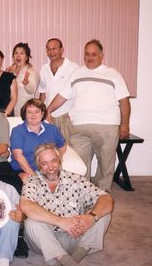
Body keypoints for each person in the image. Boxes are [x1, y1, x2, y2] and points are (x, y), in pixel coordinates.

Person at [47, 39, 131, 192]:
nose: (90, 57)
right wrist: (48, 110)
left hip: (106, 127)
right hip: (79, 129)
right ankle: (82, 195)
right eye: (87, 54)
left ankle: (102, 195)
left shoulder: (113, 74)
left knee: (106, 164)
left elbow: (124, 101)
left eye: (94, 54)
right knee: (79, 165)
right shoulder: (77, 72)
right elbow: (62, 95)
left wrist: (125, 125)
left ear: (101, 56)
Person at [21, 143, 113, 266]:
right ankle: (66, 261)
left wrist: (91, 217)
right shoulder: (32, 182)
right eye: (44, 163)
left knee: (103, 215)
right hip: (46, 239)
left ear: (60, 160)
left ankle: (71, 258)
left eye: (53, 161)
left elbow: (106, 198)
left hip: (76, 236)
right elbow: (26, 206)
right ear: (39, 166)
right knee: (31, 223)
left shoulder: (76, 179)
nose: (51, 167)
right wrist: (60, 222)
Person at [10, 99, 66, 181]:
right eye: (29, 112)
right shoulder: (18, 131)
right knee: (27, 180)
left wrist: (55, 160)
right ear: (25, 115)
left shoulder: (52, 129)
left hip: (48, 169)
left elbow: (63, 146)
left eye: (37, 112)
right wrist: (34, 176)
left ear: (42, 113)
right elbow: (18, 156)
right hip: (24, 170)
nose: (33, 115)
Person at [37, 38, 79, 142]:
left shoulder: (74, 68)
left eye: (54, 49)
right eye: (48, 49)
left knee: (68, 149)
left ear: (62, 50)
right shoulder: (44, 69)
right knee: (51, 148)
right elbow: (42, 94)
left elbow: (77, 94)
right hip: (49, 117)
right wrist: (41, 114)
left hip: (67, 116)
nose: (51, 52)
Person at [6, 42, 38, 117]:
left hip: (24, 111)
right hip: (9, 110)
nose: (18, 55)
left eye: (22, 53)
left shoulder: (31, 72)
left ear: (26, 57)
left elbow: (32, 90)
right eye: (16, 53)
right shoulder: (9, 72)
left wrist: (26, 83)